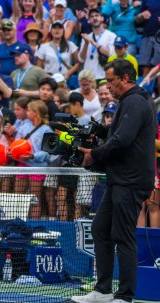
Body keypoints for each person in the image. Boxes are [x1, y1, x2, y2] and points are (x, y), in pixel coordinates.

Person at [73, 59, 156, 303]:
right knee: (101, 229)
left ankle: (125, 296)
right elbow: (116, 135)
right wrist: (97, 132)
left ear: (125, 78)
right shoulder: (129, 102)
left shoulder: (135, 101)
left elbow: (122, 140)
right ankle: (103, 291)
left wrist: (94, 154)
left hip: (130, 181)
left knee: (124, 236)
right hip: (120, 179)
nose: (109, 87)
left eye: (111, 81)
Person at [78, 8, 116, 81]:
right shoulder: (86, 37)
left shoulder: (111, 35)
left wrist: (93, 43)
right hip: (88, 77)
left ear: (102, 18)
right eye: (92, 16)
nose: (94, 18)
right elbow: (81, 59)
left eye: (97, 15)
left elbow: (112, 54)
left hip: (104, 76)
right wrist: (86, 44)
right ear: (88, 20)